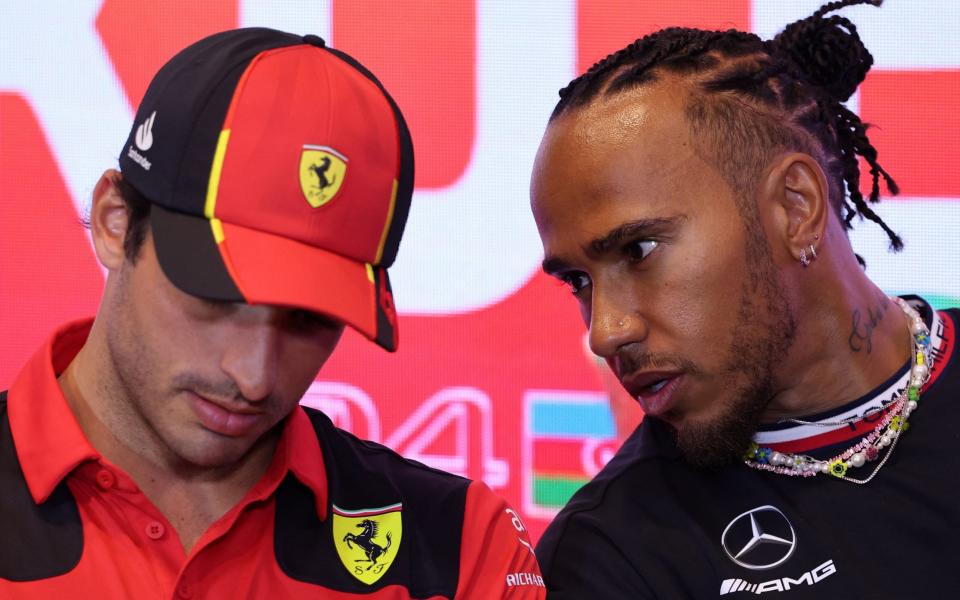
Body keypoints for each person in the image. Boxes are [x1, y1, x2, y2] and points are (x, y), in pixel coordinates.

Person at [0, 28, 544, 599]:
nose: (255, 377)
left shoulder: (459, 547)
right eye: (216, 297)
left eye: (310, 319)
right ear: (116, 222)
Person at [530, 1, 959, 597]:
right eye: (577, 280)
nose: (605, 332)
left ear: (795, 207)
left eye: (640, 249)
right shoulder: (609, 555)